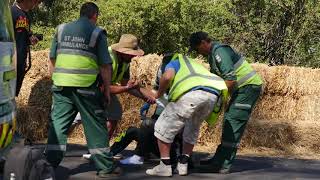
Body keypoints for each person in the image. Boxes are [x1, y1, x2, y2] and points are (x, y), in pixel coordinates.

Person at [45, 2, 120, 178]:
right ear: (94, 15)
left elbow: (52, 58)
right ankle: (105, 168)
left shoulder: (61, 29)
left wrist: (55, 79)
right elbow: (105, 65)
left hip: (61, 85)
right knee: (96, 126)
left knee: (58, 125)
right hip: (86, 87)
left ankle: (48, 164)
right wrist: (107, 91)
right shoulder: (97, 32)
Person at [189, 31, 263, 173]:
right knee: (229, 120)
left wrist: (215, 98)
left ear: (204, 43)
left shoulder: (220, 52)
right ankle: (219, 159)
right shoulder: (212, 55)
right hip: (241, 90)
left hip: (248, 88)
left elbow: (230, 80)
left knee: (233, 121)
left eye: (198, 48)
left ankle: (223, 164)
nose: (198, 53)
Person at [146, 53, 228, 176]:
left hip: (193, 95)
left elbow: (167, 77)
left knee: (161, 127)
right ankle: (183, 165)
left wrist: (158, 94)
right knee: (192, 128)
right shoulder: (194, 66)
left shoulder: (173, 62)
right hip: (213, 96)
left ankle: (165, 166)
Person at [11, 0, 41, 96]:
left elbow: (24, 36)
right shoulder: (11, 12)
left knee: (13, 93)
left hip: (21, 61)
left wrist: (31, 40)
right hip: (10, 62)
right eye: (37, 1)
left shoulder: (27, 15)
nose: (37, 4)